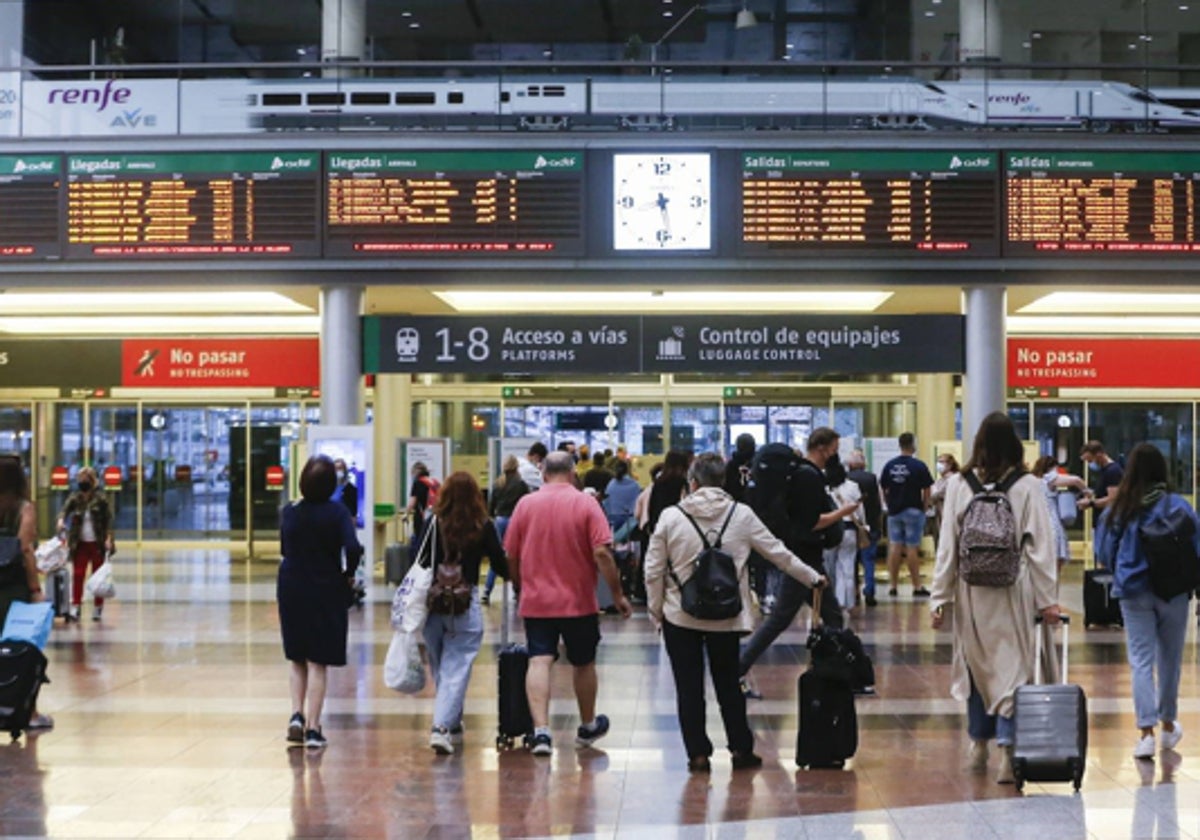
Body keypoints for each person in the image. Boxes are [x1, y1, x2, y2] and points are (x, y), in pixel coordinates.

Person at [645, 452, 827, 772]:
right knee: (729, 685)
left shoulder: (671, 517)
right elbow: (777, 553)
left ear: (693, 483)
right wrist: (812, 578)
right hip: (726, 616)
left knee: (688, 688)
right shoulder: (741, 515)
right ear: (724, 481)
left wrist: (656, 611)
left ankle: (698, 754)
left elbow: (652, 569)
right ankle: (741, 750)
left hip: (680, 616)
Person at [929, 412, 1061, 784]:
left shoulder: (958, 484)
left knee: (976, 668)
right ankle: (1007, 749)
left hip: (971, 591)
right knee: (1013, 669)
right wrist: (1047, 599)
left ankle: (978, 744)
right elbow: (1040, 548)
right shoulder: (1028, 485)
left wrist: (939, 598)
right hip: (1012, 589)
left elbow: (947, 548)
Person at [504, 451, 632, 756]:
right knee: (583, 662)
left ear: (544, 473)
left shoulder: (526, 504)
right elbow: (602, 553)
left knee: (539, 660)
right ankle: (588, 726)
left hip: (537, 600)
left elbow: (511, 553)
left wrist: (520, 586)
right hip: (578, 601)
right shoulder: (586, 503)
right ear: (574, 473)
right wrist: (617, 594)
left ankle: (542, 733)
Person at [1094, 443, 1196, 760]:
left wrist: (1124, 568)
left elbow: (1104, 553)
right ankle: (1168, 724)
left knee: (1140, 660)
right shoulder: (1179, 506)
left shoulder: (1118, 510)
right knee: (1170, 659)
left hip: (1134, 591)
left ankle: (1146, 733)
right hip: (1175, 592)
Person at [738, 428, 858, 695]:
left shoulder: (802, 473)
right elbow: (812, 522)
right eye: (834, 447)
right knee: (780, 619)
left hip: (805, 556)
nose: (835, 454)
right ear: (822, 447)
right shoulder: (808, 476)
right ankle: (738, 666)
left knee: (832, 616)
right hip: (803, 559)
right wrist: (843, 513)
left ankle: (836, 672)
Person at [277, 455, 363, 750]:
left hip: (290, 584)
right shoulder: (337, 512)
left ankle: (296, 714)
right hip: (324, 586)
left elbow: (284, 547)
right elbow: (353, 547)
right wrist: (349, 574)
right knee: (318, 661)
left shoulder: (289, 511)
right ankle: (314, 728)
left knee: (296, 657)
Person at [423, 471, 507, 755]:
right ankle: (442, 727)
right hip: (464, 602)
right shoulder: (483, 525)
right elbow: (500, 563)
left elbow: (417, 559)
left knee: (441, 666)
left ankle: (451, 720)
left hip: (432, 604)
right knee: (456, 667)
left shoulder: (433, 522)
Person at [0, 456, 52, 730]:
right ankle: (27, 712)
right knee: (22, 649)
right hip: (12, 587)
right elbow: (25, 549)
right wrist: (35, 589)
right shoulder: (23, 508)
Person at [57, 466, 114, 623]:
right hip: (80, 543)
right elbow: (64, 510)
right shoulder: (75, 498)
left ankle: (97, 607)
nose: (82, 483)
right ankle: (76, 605)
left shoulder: (101, 499)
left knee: (98, 578)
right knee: (78, 574)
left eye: (86, 480)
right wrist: (61, 520)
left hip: (97, 543)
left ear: (92, 481)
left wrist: (109, 538)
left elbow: (108, 520)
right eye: (80, 480)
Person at [880, 432, 935, 597]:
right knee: (912, 548)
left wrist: (889, 504)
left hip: (894, 511)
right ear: (913, 445)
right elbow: (927, 489)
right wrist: (924, 507)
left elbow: (884, 488)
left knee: (895, 546)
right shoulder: (919, 466)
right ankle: (917, 586)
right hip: (913, 510)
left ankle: (893, 586)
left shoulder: (890, 465)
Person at [482, 455, 529, 606]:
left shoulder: (497, 484)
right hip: (515, 520)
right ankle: (517, 590)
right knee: (516, 556)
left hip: (500, 520)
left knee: (497, 557)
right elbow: (526, 504)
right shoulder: (521, 484)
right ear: (516, 467)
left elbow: (490, 506)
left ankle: (487, 591)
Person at [823, 454, 864, 624]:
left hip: (829, 529)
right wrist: (863, 527)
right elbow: (860, 512)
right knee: (847, 568)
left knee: (829, 568)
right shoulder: (853, 487)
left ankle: (832, 602)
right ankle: (847, 601)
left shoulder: (824, 487)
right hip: (849, 529)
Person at [1032, 456, 1089, 568]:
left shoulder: (1034, 481)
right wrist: (1088, 493)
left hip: (1037, 523)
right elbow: (1076, 480)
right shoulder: (1049, 478)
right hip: (1052, 523)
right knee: (1056, 562)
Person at [846, 449, 883, 608]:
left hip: (852, 525)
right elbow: (876, 503)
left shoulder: (845, 480)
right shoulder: (871, 478)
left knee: (851, 561)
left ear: (849, 464)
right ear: (864, 463)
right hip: (870, 525)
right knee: (869, 560)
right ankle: (870, 591)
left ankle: (854, 592)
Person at [927, 453, 961, 551]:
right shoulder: (940, 480)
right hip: (939, 517)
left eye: (942, 462)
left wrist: (928, 497)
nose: (939, 464)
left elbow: (936, 495)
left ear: (950, 464)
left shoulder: (953, 479)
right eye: (938, 462)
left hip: (949, 517)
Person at [1079, 440, 1123, 514]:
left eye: (1090, 460)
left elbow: (1112, 499)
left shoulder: (1112, 471)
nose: (1090, 464)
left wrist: (1091, 503)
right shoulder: (1104, 471)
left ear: (1099, 454)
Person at [723, 433, 757, 502]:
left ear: (737, 447)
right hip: (756, 506)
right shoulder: (758, 463)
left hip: (734, 506)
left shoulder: (731, 465)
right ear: (754, 446)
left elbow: (726, 488)